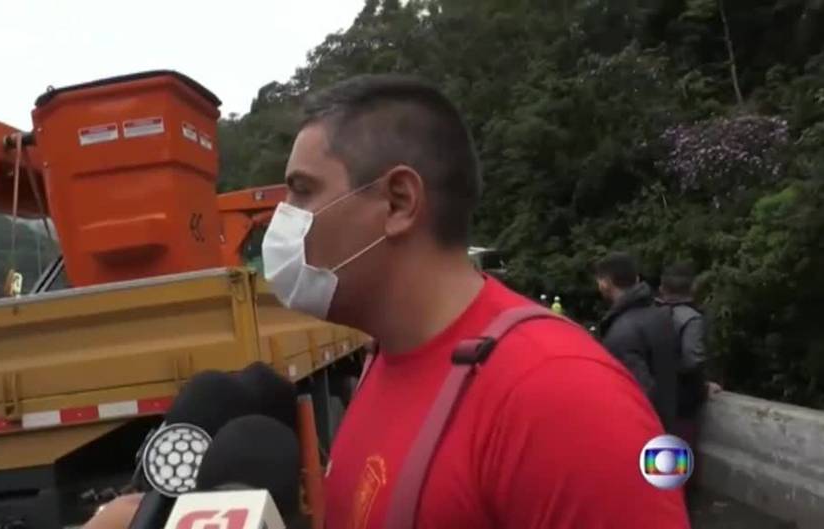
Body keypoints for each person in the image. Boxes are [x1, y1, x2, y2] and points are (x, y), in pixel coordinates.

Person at [86, 75, 689, 529]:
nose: (280, 222)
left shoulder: (557, 397)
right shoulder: (386, 363)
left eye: (302, 192)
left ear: (399, 201)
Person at [595, 252, 680, 433]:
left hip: (644, 436)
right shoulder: (662, 315)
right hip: (670, 427)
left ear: (605, 283)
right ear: (636, 278)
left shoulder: (621, 332)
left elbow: (639, 394)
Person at [656, 262, 722, 450]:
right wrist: (703, 386)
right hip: (680, 405)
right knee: (676, 463)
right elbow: (692, 360)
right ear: (693, 288)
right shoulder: (691, 319)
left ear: (662, 288)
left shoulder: (650, 314)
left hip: (651, 400)